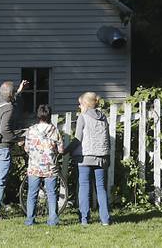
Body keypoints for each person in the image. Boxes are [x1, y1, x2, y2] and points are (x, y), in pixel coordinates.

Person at [0, 79, 28, 220]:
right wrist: (17, 139)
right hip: (1, 148)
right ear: (11, 95)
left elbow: (8, 97)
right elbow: (5, 130)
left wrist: (19, 91)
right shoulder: (9, 107)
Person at [72, 91, 111, 225]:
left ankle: (84, 219)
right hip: (102, 157)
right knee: (101, 188)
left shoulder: (82, 117)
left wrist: (67, 150)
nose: (79, 106)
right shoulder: (103, 117)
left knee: (84, 187)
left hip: (85, 157)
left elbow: (77, 139)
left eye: (80, 103)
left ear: (86, 104)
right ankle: (105, 219)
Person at [23, 104, 64, 226]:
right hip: (50, 168)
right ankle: (52, 220)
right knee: (51, 194)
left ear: (38, 115)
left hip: (34, 167)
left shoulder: (31, 130)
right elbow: (61, 150)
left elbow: (26, 148)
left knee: (32, 193)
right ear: (49, 115)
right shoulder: (54, 131)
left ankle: (30, 220)